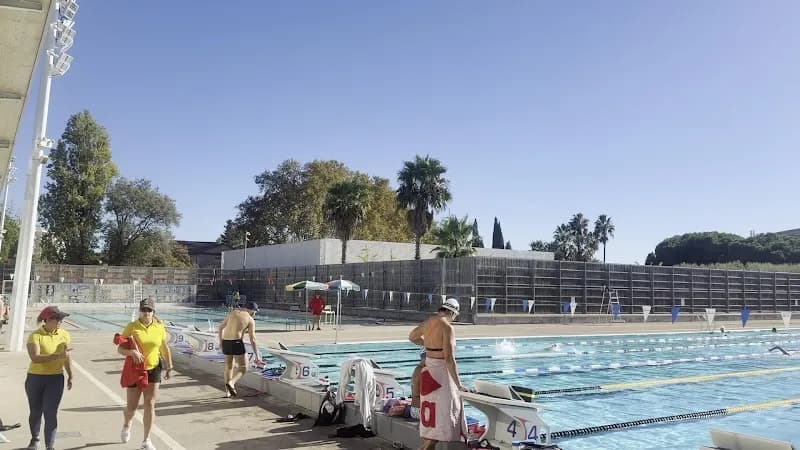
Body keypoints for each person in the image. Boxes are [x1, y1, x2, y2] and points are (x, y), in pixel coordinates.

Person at [408, 298, 467, 450]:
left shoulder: (428, 322)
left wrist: (428, 344)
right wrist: (459, 385)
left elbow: (412, 337)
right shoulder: (447, 328)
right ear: (452, 312)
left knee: (433, 421)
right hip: (441, 375)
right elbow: (449, 359)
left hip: (429, 371)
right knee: (447, 414)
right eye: (455, 316)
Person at [118, 298, 172, 450]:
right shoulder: (132, 327)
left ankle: (146, 440)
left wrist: (169, 366)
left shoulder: (159, 327)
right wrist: (131, 351)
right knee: (132, 408)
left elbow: (164, 347)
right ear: (140, 311)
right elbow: (120, 349)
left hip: (153, 369)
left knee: (150, 404)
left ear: (154, 312)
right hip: (135, 369)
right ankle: (127, 424)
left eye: (149, 310)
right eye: (144, 310)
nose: (146, 313)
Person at [25, 305, 73, 450]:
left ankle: (49, 446)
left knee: (50, 412)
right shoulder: (35, 336)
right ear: (47, 319)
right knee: (35, 412)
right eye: (58, 318)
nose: (60, 321)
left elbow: (66, 357)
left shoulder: (64, 334)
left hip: (55, 379)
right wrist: (57, 356)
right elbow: (35, 358)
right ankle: (35, 439)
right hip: (35, 378)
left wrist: (71, 375)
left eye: (62, 319)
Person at [218, 301, 263, 397]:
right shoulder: (250, 319)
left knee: (229, 366)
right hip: (236, 342)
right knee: (244, 367)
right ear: (251, 310)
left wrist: (220, 342)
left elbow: (220, 328)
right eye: (255, 312)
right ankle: (232, 383)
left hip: (225, 341)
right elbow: (253, 339)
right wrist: (257, 356)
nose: (254, 314)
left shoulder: (233, 313)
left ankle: (228, 392)